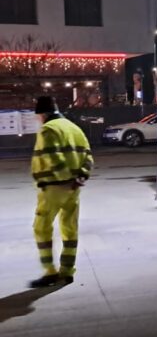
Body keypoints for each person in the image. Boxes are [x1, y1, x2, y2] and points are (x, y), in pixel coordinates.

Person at [27, 96, 93, 288]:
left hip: (54, 188)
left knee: (41, 228)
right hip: (74, 190)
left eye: (38, 116)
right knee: (70, 228)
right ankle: (67, 271)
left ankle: (50, 272)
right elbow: (88, 157)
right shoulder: (74, 128)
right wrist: (80, 178)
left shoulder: (48, 130)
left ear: (43, 114)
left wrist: (65, 179)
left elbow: (53, 157)